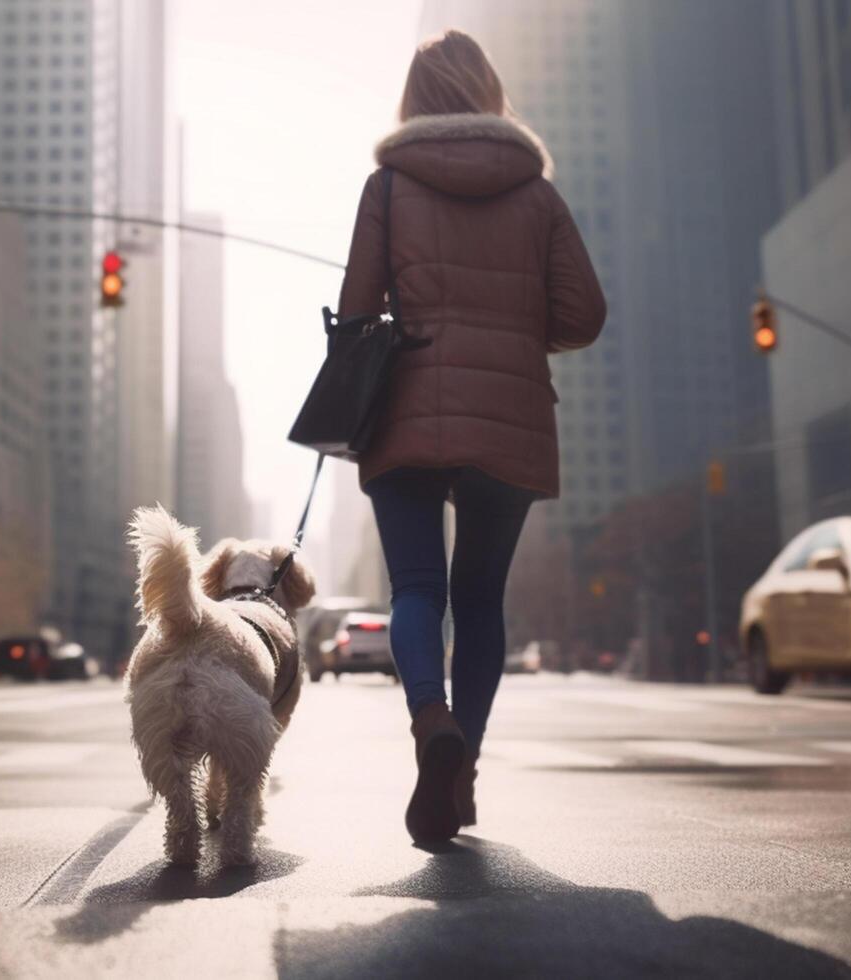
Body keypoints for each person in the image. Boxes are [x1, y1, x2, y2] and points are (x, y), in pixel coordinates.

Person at [337, 29, 606, 845]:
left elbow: (354, 315)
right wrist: (513, 333)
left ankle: (431, 722)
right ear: (489, 93)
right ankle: (465, 774)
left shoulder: (387, 188)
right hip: (511, 416)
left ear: (414, 99)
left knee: (418, 592)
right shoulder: (538, 195)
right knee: (482, 601)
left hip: (408, 412)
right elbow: (583, 316)